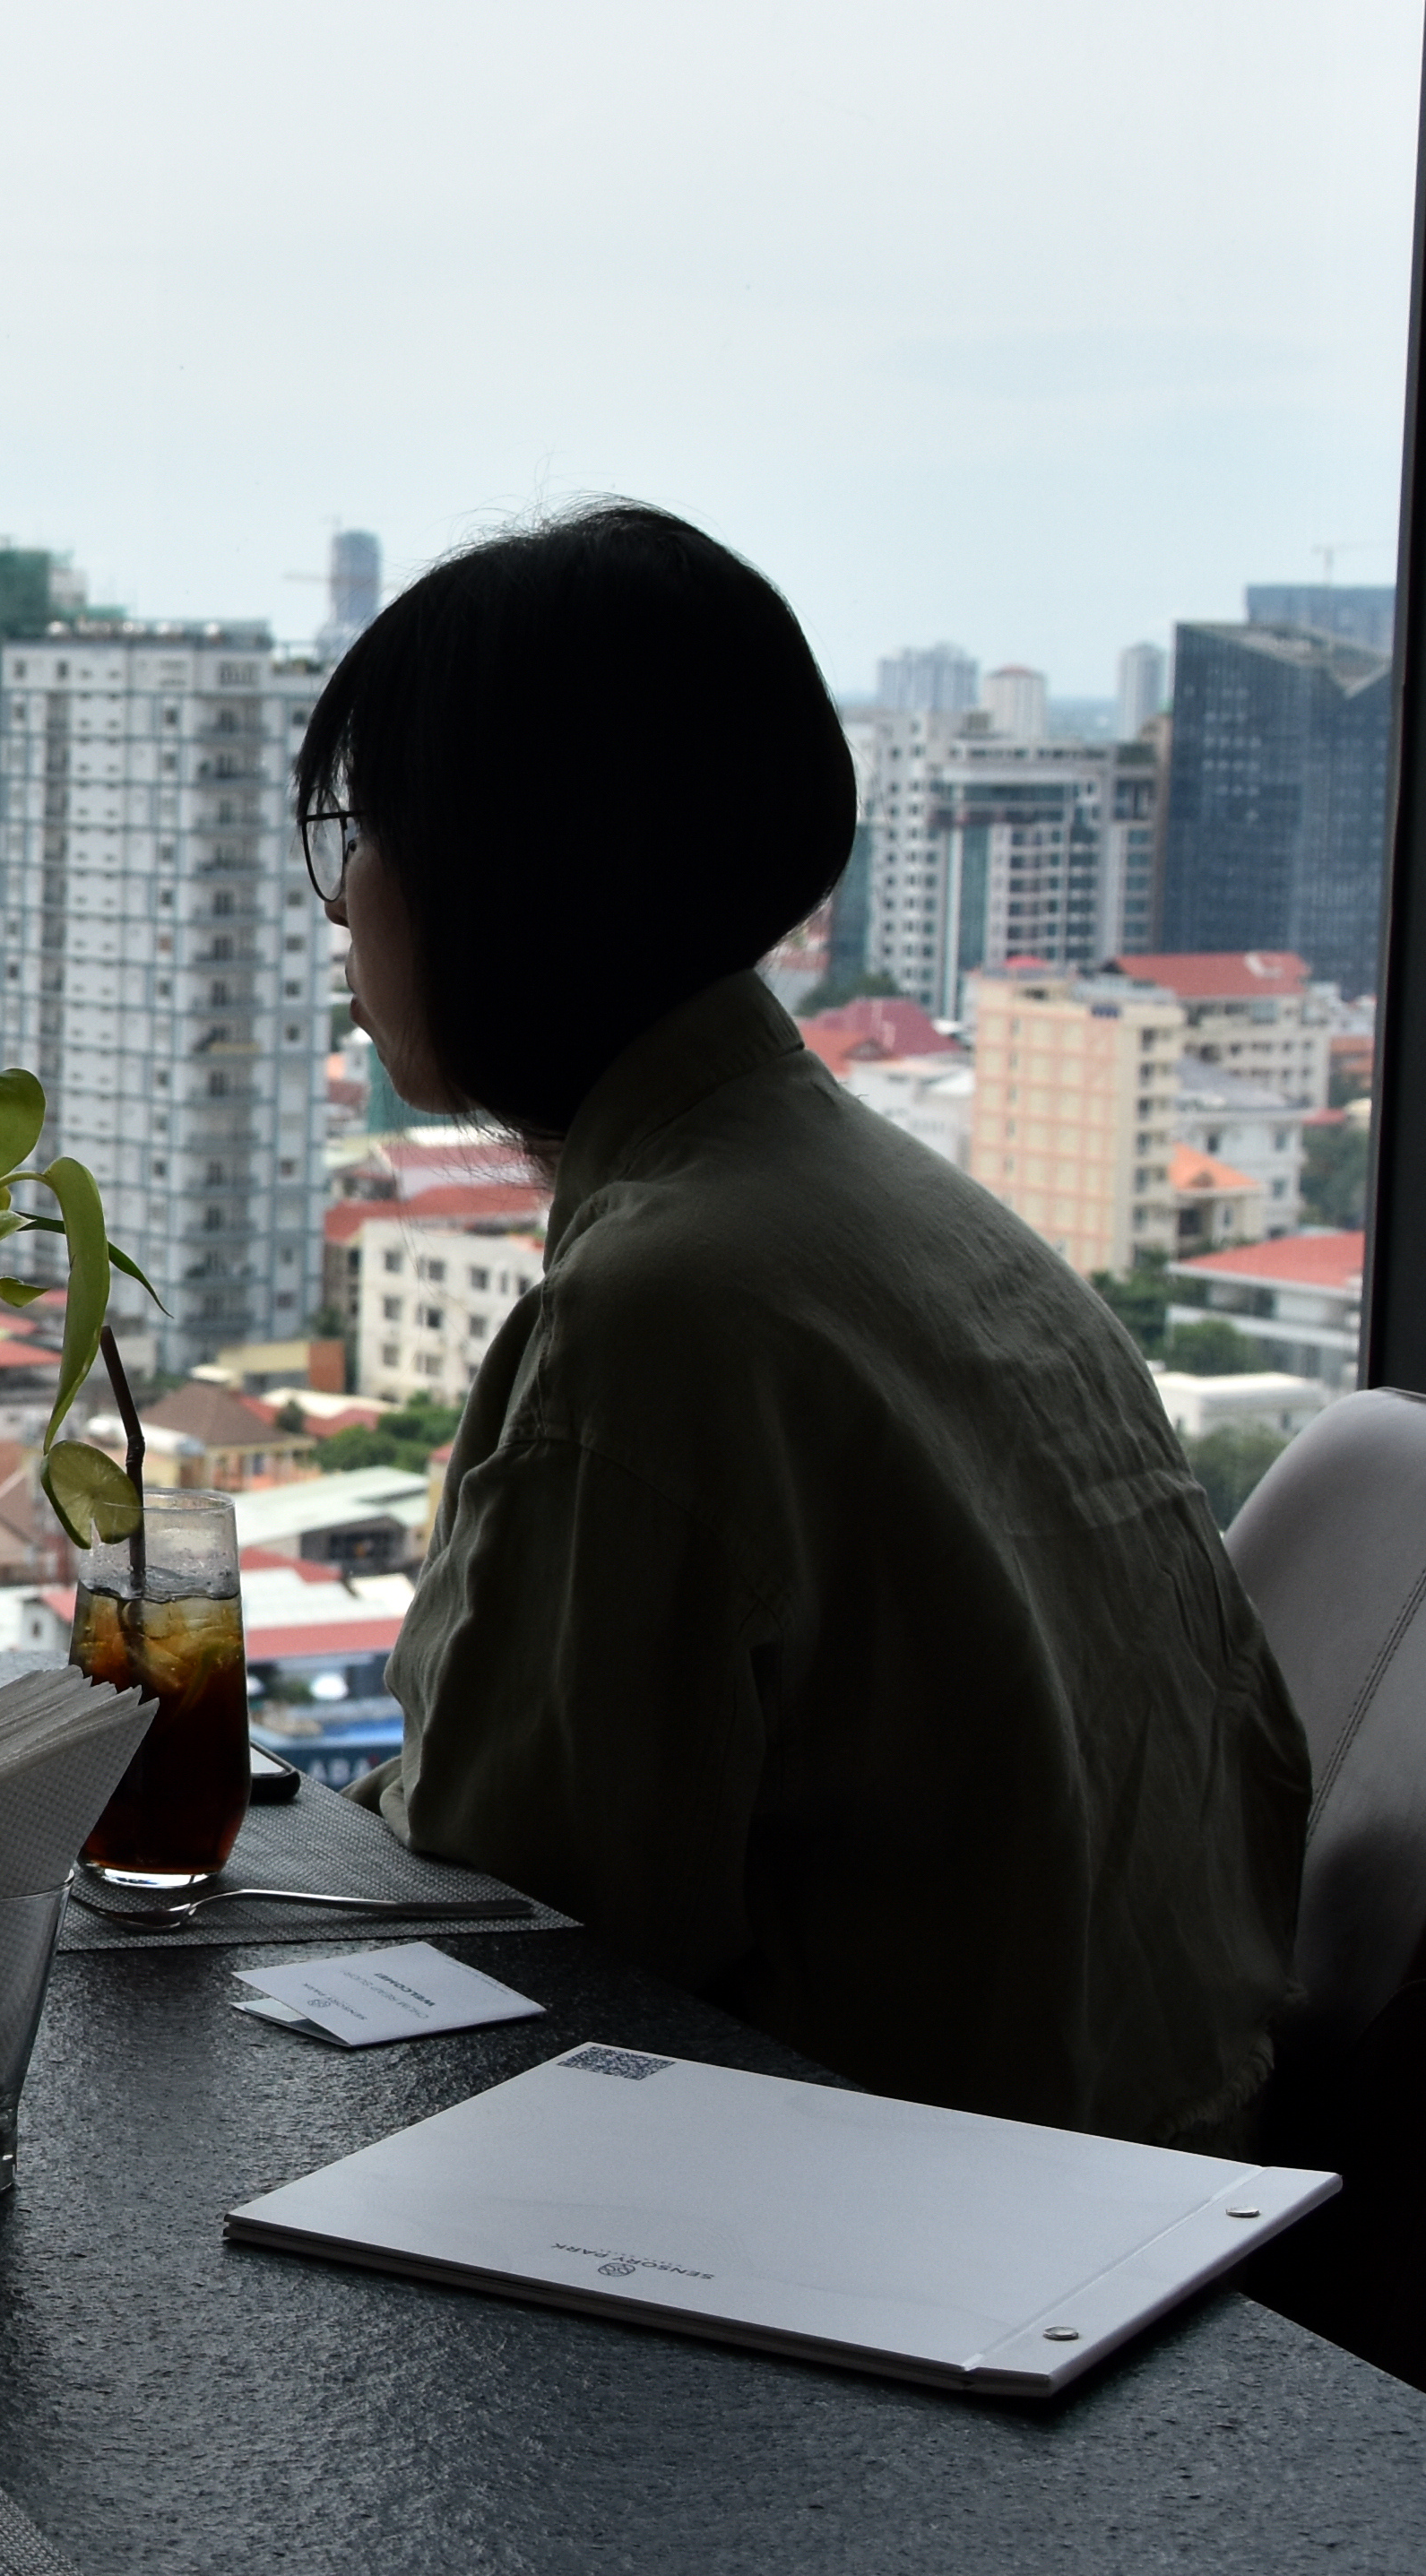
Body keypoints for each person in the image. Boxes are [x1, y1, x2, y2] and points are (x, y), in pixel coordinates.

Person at [314, 503, 1302, 2147]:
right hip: (1154, 2206)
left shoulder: (656, 1319)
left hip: (890, 2258)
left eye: (369, 829)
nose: (345, 905)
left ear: (510, 872)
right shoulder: (892, 1208)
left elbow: (515, 1957)